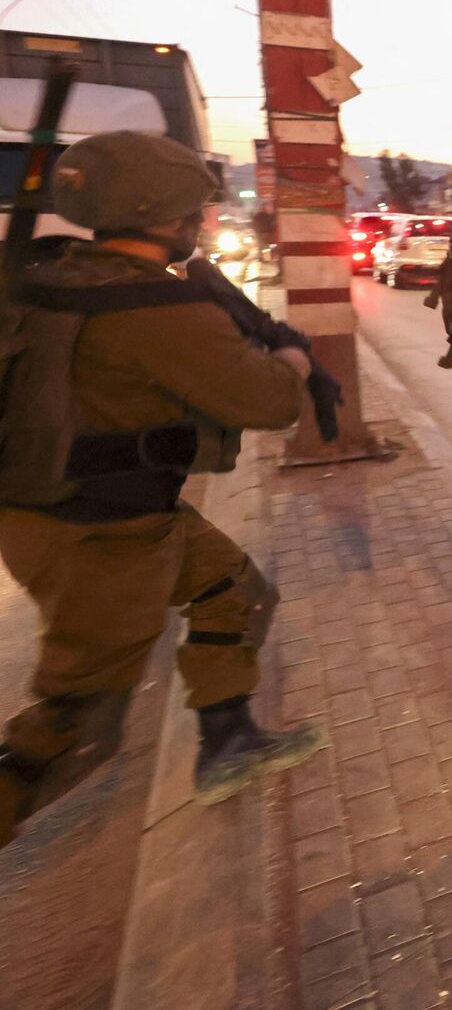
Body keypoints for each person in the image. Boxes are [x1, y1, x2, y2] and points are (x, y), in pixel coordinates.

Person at [0, 132, 324, 847]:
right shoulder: (156, 306)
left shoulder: (43, 273)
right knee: (76, 723)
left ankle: (230, 740)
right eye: (192, 212)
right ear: (162, 213)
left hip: (78, 509)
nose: (198, 225)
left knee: (233, 592)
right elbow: (267, 401)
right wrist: (293, 361)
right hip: (100, 534)